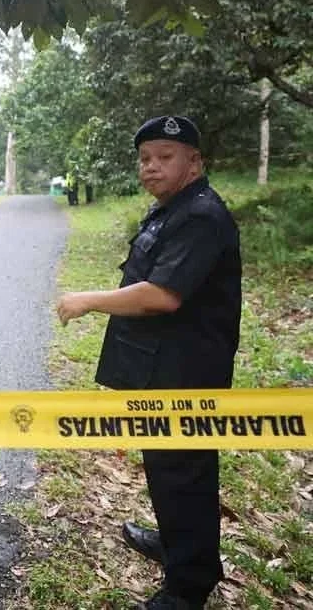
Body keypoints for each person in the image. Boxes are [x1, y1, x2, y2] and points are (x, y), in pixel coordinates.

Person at [56, 116, 241, 610]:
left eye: (165, 157)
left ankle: (188, 585)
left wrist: (88, 300)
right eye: (144, 159)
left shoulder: (200, 215)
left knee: (183, 469)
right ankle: (179, 544)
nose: (151, 168)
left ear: (195, 162)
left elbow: (163, 294)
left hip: (186, 373)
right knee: (166, 465)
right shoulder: (172, 209)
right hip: (162, 366)